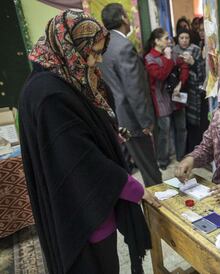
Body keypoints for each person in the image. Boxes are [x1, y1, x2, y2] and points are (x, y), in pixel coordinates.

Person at [19, 9, 160, 274]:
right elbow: (81, 161)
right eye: (92, 53)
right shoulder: (50, 95)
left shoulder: (56, 79)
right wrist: (134, 188)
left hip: (83, 204)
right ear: (71, 47)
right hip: (83, 212)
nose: (96, 61)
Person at [99, 3, 162, 186]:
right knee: (151, 171)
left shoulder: (105, 45)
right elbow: (134, 89)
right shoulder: (124, 46)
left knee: (132, 166)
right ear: (123, 18)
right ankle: (160, 208)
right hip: (133, 119)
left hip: (117, 117)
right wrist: (146, 122)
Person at [145, 28, 189, 169]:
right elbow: (161, 75)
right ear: (156, 41)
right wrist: (168, 59)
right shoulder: (150, 58)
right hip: (161, 99)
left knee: (181, 128)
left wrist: (181, 83)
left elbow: (184, 66)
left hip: (176, 97)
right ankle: (163, 161)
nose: (169, 41)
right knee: (164, 131)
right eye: (165, 38)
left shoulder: (173, 52)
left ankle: (181, 156)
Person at [172, 28, 208, 153]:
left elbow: (202, 72)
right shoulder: (174, 51)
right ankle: (183, 150)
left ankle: (195, 148)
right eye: (181, 38)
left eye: (186, 38)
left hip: (193, 89)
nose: (184, 40)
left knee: (194, 121)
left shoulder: (195, 49)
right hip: (178, 90)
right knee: (181, 121)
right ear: (178, 38)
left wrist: (194, 62)